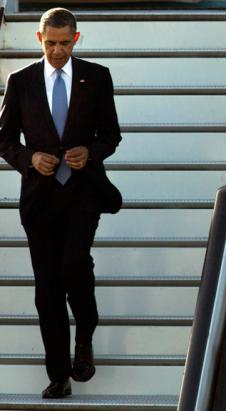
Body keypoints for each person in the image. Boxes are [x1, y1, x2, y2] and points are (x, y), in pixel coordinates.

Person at [0, 7, 122, 398]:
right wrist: (28, 159)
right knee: (47, 288)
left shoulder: (97, 77)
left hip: (84, 191)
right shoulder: (20, 81)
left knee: (74, 266)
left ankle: (84, 336)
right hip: (39, 198)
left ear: (76, 39)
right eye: (50, 43)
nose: (56, 51)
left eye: (64, 43)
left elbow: (112, 136)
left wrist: (90, 151)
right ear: (40, 39)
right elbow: (3, 139)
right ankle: (59, 374)